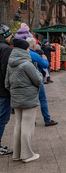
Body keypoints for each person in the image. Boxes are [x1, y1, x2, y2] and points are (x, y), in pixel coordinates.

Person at [5, 39, 43, 163]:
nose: (29, 49)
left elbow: (7, 83)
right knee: (27, 126)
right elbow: (38, 80)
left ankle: (17, 154)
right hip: (28, 98)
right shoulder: (27, 64)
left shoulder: (11, 64)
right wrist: (40, 74)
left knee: (18, 125)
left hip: (16, 98)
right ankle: (26, 154)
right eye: (27, 48)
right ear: (24, 50)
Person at [26, 38, 58, 127]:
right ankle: (47, 120)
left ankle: (31, 120)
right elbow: (44, 65)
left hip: (26, 81)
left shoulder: (24, 54)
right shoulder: (34, 55)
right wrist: (45, 59)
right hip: (36, 80)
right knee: (42, 100)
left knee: (30, 101)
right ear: (33, 45)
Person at [0, 24, 13, 156]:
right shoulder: (5, 49)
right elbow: (6, 71)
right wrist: (9, 88)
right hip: (3, 90)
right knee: (3, 118)